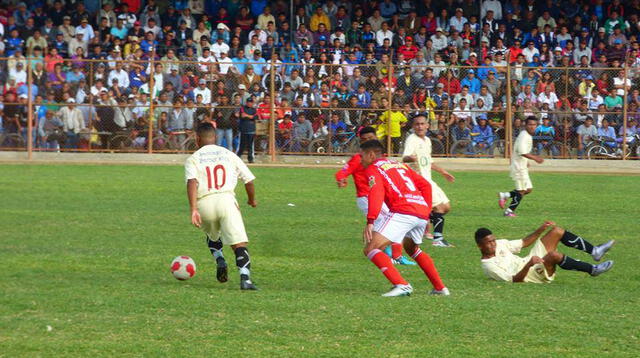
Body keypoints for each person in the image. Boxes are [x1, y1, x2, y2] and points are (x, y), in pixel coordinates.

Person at [360, 139, 449, 297]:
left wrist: (370, 220)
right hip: (420, 211)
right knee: (412, 248)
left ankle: (401, 285)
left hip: (403, 211)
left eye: (362, 156)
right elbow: (426, 186)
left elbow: (376, 192)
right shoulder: (399, 164)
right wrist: (426, 211)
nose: (361, 160)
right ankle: (440, 288)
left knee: (371, 248)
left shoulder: (374, 168)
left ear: (371, 155)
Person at [185, 123, 258, 290]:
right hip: (226, 201)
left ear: (197, 139)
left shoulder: (193, 158)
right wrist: (251, 200)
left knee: (213, 234)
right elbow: (249, 180)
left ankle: (219, 258)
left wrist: (193, 209)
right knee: (238, 243)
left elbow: (192, 182)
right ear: (215, 137)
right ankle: (245, 279)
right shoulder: (228, 154)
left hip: (204, 203)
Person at [335, 127, 415, 265]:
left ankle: (393, 255)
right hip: (366, 197)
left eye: (370, 138)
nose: (367, 141)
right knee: (391, 222)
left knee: (391, 222)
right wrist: (341, 179)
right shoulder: (358, 159)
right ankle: (393, 256)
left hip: (380, 197)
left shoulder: (381, 158)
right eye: (364, 140)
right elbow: (343, 171)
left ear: (376, 138)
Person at [474, 222, 615, 283]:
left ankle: (594, 251)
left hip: (529, 261)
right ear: (480, 246)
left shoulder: (500, 244)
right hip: (529, 274)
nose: (494, 244)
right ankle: (593, 270)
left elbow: (523, 243)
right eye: (489, 242)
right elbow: (514, 280)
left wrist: (540, 229)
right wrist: (529, 264)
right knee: (553, 256)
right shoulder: (489, 266)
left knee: (556, 231)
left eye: (493, 240)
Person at [402, 115, 456, 248]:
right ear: (413, 126)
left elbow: (428, 161)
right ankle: (437, 238)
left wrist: (443, 172)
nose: (420, 126)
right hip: (419, 181)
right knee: (440, 207)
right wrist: (411, 158)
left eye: (422, 124)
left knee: (446, 206)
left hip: (428, 179)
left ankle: (422, 219)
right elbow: (404, 158)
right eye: (417, 124)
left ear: (427, 126)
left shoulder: (427, 141)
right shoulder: (412, 140)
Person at [498, 116, 544, 217]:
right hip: (518, 167)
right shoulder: (524, 136)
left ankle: (505, 195)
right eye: (530, 124)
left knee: (528, 189)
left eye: (534, 125)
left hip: (522, 166)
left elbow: (523, 152)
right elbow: (522, 152)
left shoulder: (527, 135)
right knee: (521, 191)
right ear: (525, 125)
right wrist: (536, 158)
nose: (532, 127)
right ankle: (509, 211)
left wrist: (527, 161)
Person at [236, 97, 257, 163]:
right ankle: (238, 158)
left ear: (252, 103)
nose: (249, 103)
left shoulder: (254, 109)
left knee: (250, 146)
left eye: (251, 102)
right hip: (243, 130)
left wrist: (247, 116)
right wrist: (250, 116)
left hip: (251, 130)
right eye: (248, 102)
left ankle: (250, 159)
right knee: (242, 145)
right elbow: (242, 115)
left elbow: (255, 117)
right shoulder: (243, 108)